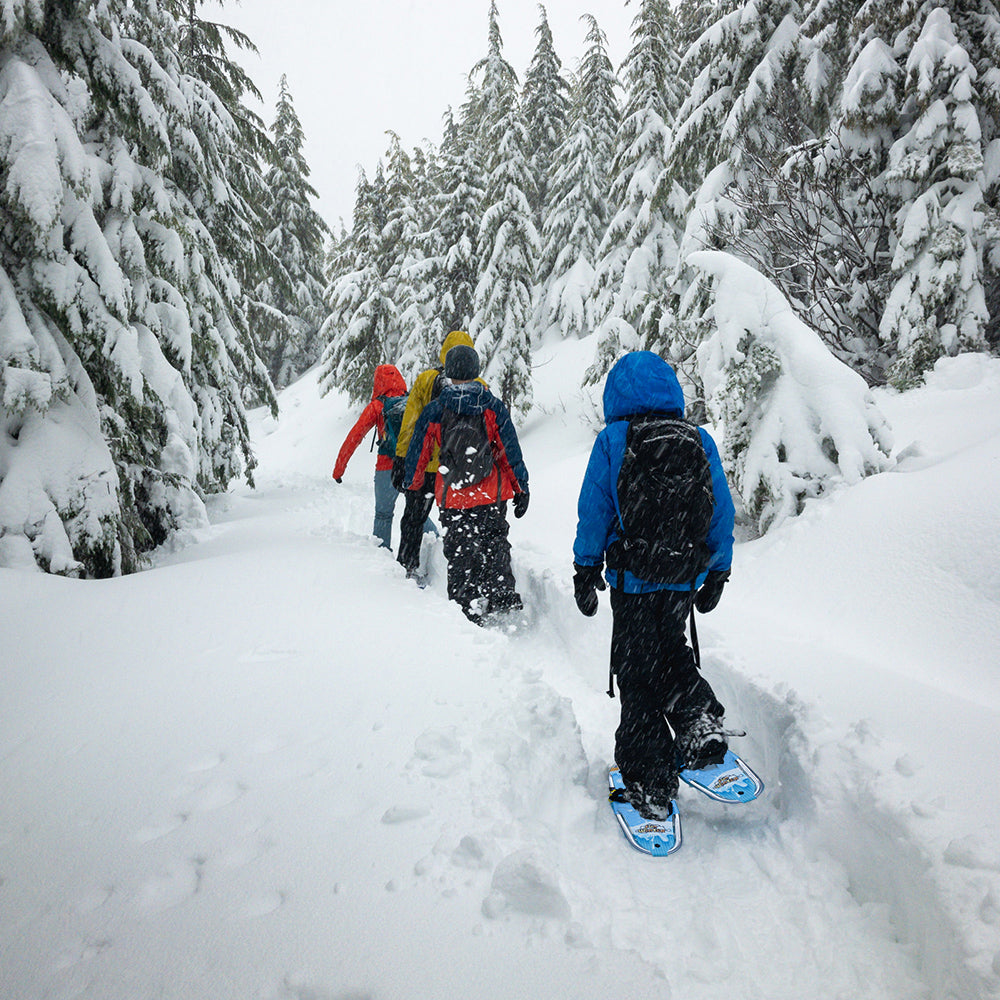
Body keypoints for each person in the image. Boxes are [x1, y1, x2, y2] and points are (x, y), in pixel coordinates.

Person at [572, 351, 735, 820]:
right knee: (673, 648)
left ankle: (649, 778)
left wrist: (585, 569)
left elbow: (595, 511)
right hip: (681, 578)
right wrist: (717, 572)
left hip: (632, 578)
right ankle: (698, 719)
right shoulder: (698, 439)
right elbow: (720, 511)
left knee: (637, 672)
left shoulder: (614, 439)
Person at [403, 344, 529, 624]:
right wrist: (521, 486)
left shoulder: (435, 410)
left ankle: (466, 604)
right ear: (476, 371)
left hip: (453, 495)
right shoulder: (492, 406)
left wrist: (412, 483)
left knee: (460, 550)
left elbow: (418, 452)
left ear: (448, 372)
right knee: (495, 541)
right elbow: (509, 450)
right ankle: (501, 593)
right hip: (491, 493)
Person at [392, 330, 479, 578]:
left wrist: (401, 459)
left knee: (413, 519)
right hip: (460, 471)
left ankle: (407, 566)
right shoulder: (479, 387)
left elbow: (410, 423)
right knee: (462, 524)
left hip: (426, 466)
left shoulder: (426, 379)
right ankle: (462, 575)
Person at [331, 364, 410, 550]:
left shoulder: (377, 406)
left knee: (383, 514)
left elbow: (354, 437)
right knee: (417, 512)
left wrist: (338, 470)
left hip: (386, 468)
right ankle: (435, 546)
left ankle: (383, 562)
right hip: (410, 465)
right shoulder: (411, 401)